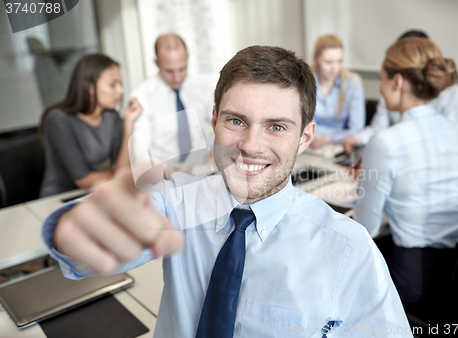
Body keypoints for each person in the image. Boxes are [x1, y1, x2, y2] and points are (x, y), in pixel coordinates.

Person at [41, 46, 412, 337]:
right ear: (215, 120)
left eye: (276, 127)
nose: (250, 145)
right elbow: (100, 238)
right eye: (236, 121)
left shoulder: (350, 249)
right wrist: (75, 231)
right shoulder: (177, 205)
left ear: (305, 138)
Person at [352, 37, 458, 320]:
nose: (380, 89)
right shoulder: (457, 132)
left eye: (382, 79)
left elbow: (364, 229)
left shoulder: (386, 143)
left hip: (416, 278)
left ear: (397, 81)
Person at [342, 30, 458, 154]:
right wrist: (357, 139)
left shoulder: (453, 95)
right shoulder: (391, 93)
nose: (381, 88)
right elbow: (379, 128)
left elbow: (446, 142)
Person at [39, 54, 142, 197]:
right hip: (59, 199)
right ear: (90, 87)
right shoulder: (58, 119)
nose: (121, 91)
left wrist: (129, 123)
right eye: (113, 84)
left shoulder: (111, 117)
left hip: (94, 194)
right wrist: (119, 175)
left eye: (120, 84)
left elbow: (123, 169)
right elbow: (84, 180)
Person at [130, 33, 213, 168]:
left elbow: (222, 125)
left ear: (187, 57)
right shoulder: (142, 96)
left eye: (182, 69)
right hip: (162, 175)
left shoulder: (203, 89)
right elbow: (140, 153)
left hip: (200, 169)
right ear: (156, 63)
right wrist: (160, 172)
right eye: (169, 71)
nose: (177, 78)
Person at [309, 34, 365, 148]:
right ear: (315, 59)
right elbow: (304, 124)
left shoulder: (353, 84)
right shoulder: (305, 83)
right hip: (309, 144)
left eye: (339, 61)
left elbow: (357, 129)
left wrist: (328, 139)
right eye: (328, 62)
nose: (335, 68)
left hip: (340, 145)